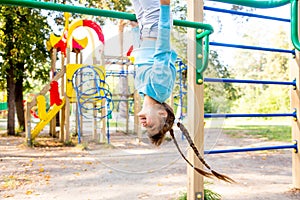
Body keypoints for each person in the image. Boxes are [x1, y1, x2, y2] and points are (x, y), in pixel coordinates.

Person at [131, 0, 177, 146]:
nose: (144, 126)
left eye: (146, 129)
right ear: (162, 114)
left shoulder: (143, 91)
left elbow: (141, 58)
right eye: (151, 126)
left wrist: (136, 30)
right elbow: (163, 48)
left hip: (145, 28)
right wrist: (164, 7)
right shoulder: (160, 88)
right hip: (157, 24)